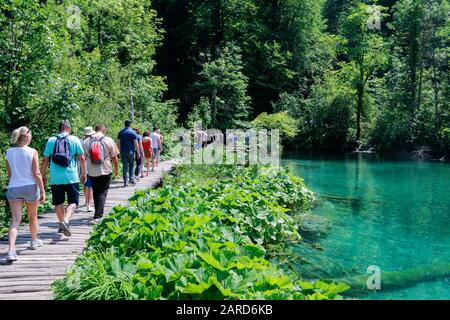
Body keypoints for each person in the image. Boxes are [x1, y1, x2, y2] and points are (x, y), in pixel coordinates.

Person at [4, 127, 46, 261]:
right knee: (32, 216)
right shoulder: (32, 151)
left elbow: (10, 174)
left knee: (15, 219)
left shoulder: (9, 152)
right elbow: (36, 173)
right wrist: (42, 190)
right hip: (30, 187)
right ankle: (33, 241)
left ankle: (11, 250)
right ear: (27, 137)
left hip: (14, 187)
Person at [41, 120, 86, 237]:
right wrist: (84, 173)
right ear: (68, 129)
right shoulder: (74, 139)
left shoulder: (51, 140)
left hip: (56, 178)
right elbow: (82, 158)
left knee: (58, 202)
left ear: (59, 129)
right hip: (72, 177)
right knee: (73, 202)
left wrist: (43, 175)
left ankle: (62, 223)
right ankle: (65, 221)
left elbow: (45, 159)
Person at [83, 124, 119, 221]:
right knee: (103, 192)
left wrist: (83, 171)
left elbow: (84, 156)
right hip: (105, 169)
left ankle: (97, 212)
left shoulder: (86, 141)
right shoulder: (108, 140)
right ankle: (98, 215)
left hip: (91, 170)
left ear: (95, 130)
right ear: (104, 130)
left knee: (95, 191)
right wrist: (116, 169)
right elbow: (114, 157)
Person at [117, 120, 139, 187]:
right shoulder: (133, 132)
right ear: (130, 125)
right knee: (132, 165)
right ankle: (131, 179)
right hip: (131, 151)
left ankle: (125, 182)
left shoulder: (121, 132)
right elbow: (136, 143)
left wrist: (118, 151)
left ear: (124, 124)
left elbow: (118, 143)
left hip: (123, 151)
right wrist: (136, 151)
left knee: (125, 166)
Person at [82, 127, 94, 212]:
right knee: (90, 186)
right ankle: (89, 204)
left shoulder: (82, 142)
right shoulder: (92, 141)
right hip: (91, 165)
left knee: (85, 183)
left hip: (82, 165)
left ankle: (86, 200)